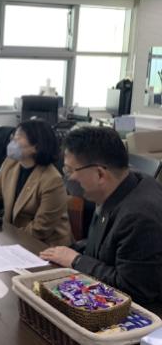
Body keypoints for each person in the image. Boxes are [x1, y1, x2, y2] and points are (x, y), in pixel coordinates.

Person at [40, 127, 162, 304]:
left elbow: (133, 290)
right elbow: (104, 245)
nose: (67, 178)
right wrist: (71, 250)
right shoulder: (120, 185)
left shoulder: (138, 216)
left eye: (70, 171)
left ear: (99, 174)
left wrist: (76, 260)